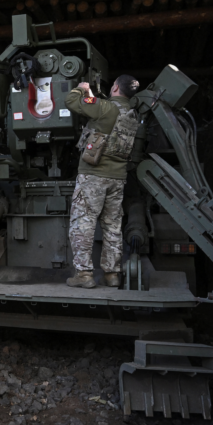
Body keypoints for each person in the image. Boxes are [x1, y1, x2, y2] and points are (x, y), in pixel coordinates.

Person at [64, 75, 140, 288]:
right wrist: (92, 97)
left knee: (83, 223)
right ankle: (112, 274)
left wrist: (81, 89)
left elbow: (71, 101)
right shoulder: (133, 114)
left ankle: (84, 274)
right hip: (118, 178)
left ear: (114, 87)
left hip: (93, 176)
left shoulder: (105, 107)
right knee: (112, 226)